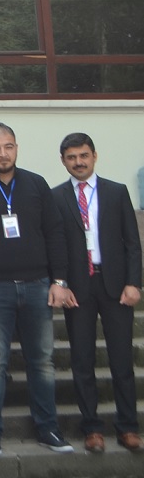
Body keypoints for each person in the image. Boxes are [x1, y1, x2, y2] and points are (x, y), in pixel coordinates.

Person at [0, 122, 75, 455]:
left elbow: (54, 233)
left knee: (43, 362)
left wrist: (60, 281)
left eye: (8, 146)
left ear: (16, 148)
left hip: (38, 285)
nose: (3, 154)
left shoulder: (36, 184)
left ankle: (48, 428)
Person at [53, 133, 143, 453]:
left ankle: (128, 427)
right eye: (72, 157)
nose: (78, 162)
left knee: (122, 360)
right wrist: (61, 284)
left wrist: (134, 283)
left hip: (116, 285)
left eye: (83, 155)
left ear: (94, 156)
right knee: (82, 360)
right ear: (63, 161)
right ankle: (92, 429)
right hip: (78, 288)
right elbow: (56, 245)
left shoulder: (116, 192)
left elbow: (132, 242)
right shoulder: (56, 197)